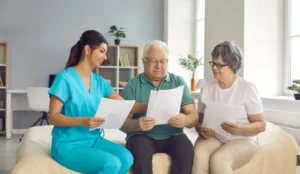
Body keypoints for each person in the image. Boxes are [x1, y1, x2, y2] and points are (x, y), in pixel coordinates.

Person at [48, 30, 147, 174]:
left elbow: (124, 105)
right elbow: (53, 117)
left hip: (93, 140)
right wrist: (81, 121)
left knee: (127, 158)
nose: (105, 57)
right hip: (67, 145)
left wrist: (148, 105)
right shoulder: (65, 78)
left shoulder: (100, 82)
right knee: (111, 163)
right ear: (87, 49)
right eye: (101, 51)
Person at [120, 40, 199, 174]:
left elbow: (193, 115)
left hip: (173, 135)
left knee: (186, 150)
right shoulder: (133, 85)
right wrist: (136, 125)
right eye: (153, 61)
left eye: (163, 61)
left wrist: (185, 120)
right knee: (140, 152)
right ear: (144, 61)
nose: (158, 66)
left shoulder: (178, 82)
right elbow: (121, 123)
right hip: (141, 136)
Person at [192, 41, 266, 174]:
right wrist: (201, 130)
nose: (214, 68)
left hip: (243, 139)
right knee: (199, 154)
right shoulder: (207, 89)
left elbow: (261, 125)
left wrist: (241, 128)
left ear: (233, 66)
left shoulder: (247, 88)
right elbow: (198, 121)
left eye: (219, 65)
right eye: (213, 63)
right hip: (216, 137)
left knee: (219, 160)